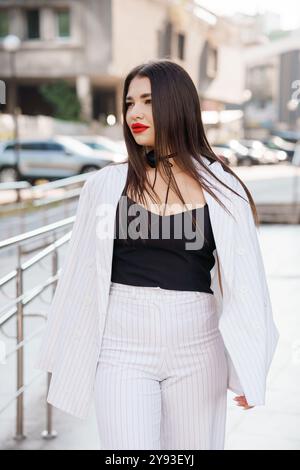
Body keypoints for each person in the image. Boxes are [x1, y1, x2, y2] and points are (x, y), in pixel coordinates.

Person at [35, 59, 280, 450]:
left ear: (177, 105)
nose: (135, 113)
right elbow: (80, 274)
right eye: (129, 102)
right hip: (121, 347)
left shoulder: (223, 188)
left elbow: (248, 284)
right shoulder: (105, 185)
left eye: (148, 101)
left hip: (198, 347)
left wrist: (253, 366)